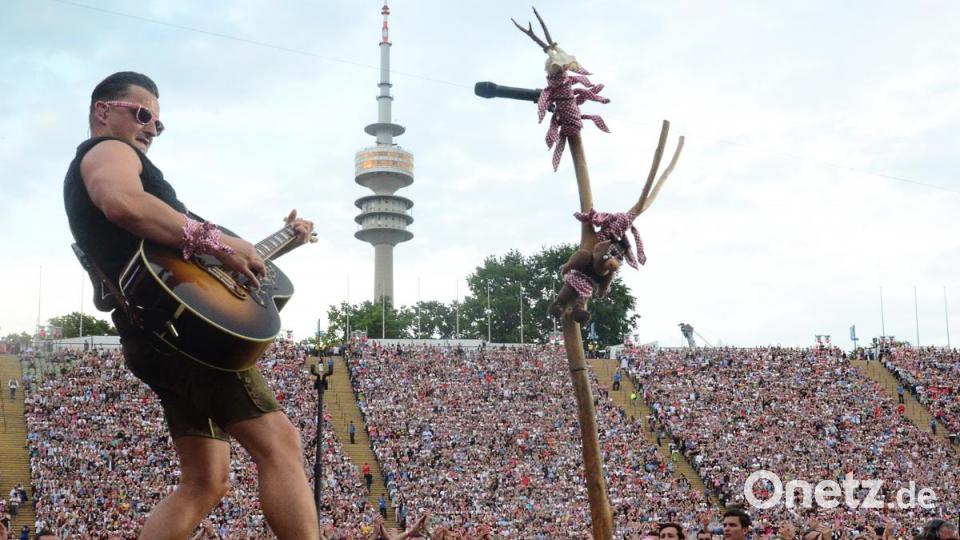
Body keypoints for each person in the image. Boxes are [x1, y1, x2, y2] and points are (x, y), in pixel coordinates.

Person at [63, 72, 318, 539]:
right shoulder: (108, 152)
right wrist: (216, 241)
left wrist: (283, 241)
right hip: (185, 336)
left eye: (158, 124)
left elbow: (206, 258)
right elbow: (122, 202)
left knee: (204, 482)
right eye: (142, 115)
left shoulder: (144, 188)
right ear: (103, 111)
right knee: (281, 445)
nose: (150, 129)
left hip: (156, 336)